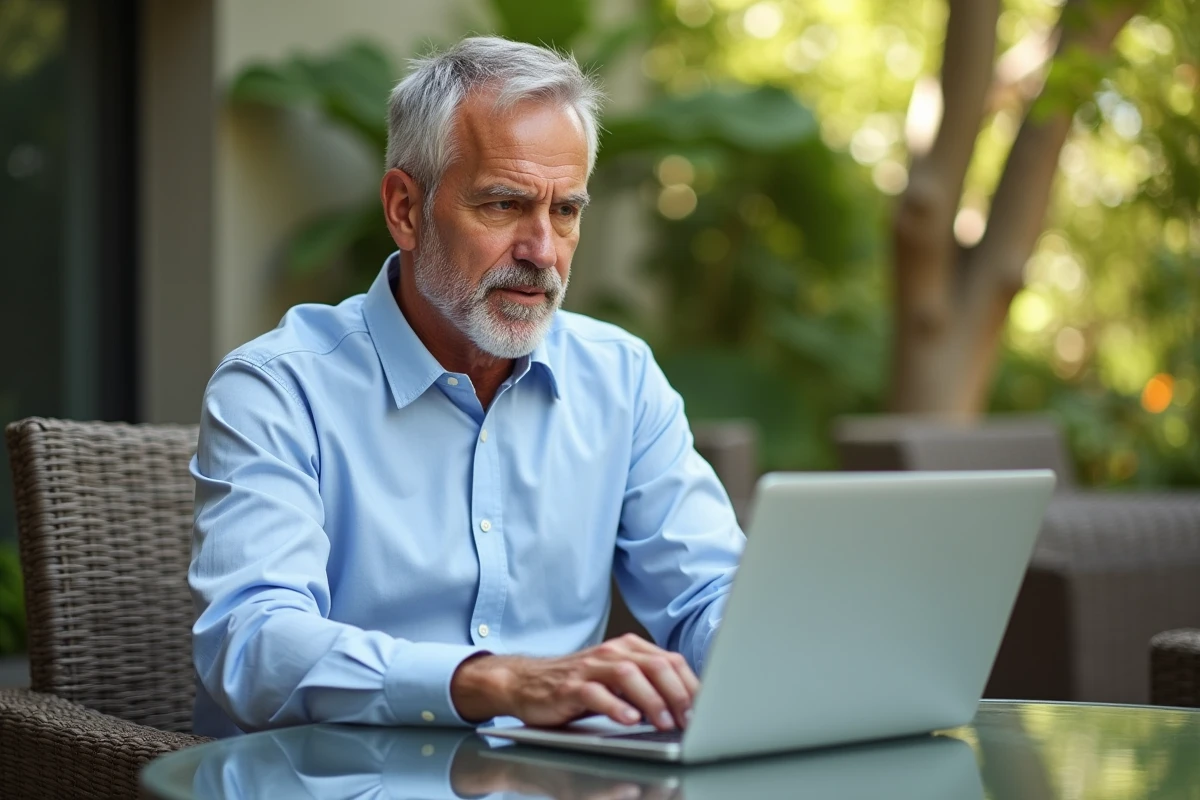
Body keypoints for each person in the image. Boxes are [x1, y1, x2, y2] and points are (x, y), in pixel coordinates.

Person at [189, 36, 745, 739]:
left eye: (566, 211)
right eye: (504, 205)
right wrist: (499, 682)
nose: (542, 251)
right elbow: (252, 644)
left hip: (562, 783)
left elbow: (709, 592)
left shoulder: (621, 376)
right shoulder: (276, 389)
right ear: (405, 209)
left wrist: (773, 658)